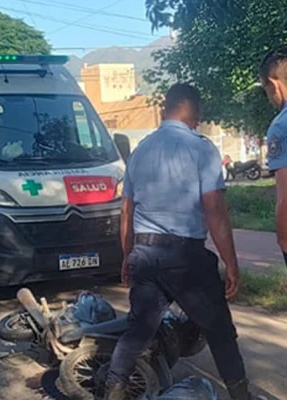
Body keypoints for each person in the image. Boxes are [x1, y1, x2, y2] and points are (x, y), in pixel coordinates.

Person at [105, 83, 253, 400]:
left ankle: (112, 391)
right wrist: (231, 263)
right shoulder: (201, 149)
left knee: (138, 332)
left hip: (145, 254)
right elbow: (215, 211)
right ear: (195, 113)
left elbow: (126, 212)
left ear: (164, 110)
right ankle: (241, 396)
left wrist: (127, 256)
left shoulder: (140, 150)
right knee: (220, 332)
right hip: (186, 257)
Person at [259, 46, 287, 269]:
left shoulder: (280, 126)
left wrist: (283, 238)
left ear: (274, 83)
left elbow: (285, 197)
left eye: (265, 90)